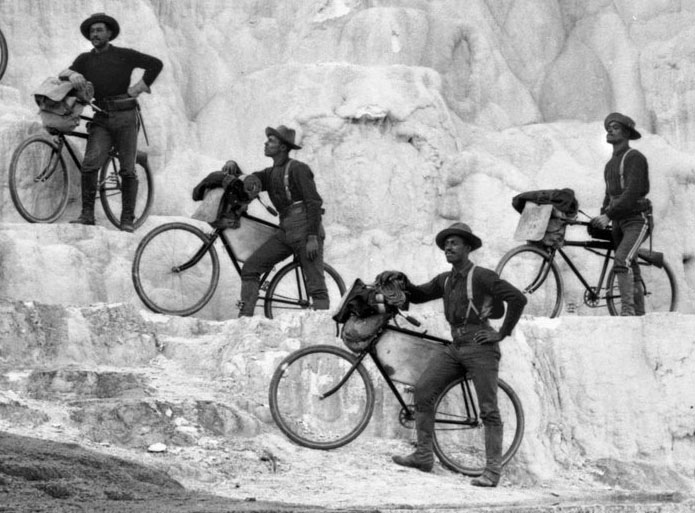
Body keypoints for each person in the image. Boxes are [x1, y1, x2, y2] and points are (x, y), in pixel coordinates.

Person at [388, 222, 527, 487]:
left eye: (454, 243)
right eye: (445, 244)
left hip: (480, 347)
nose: (448, 248)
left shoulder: (483, 276)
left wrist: (501, 333)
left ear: (467, 248)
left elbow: (518, 299)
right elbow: (417, 295)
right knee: (424, 390)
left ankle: (492, 472)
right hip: (456, 347)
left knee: (488, 410)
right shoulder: (446, 279)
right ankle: (423, 456)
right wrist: (401, 281)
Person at [59, 13, 163, 232]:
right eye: (91, 31)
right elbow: (62, 76)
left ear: (109, 33)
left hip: (125, 116)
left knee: (127, 170)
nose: (94, 34)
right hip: (102, 116)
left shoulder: (124, 55)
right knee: (90, 164)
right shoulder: (84, 60)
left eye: (98, 30)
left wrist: (139, 87)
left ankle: (127, 220)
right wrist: (71, 74)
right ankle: (87, 215)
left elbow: (155, 64)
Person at [223, 125, 329, 316]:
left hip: (305, 230)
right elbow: (251, 181)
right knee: (250, 268)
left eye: (271, 140)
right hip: (286, 231)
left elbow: (313, 202)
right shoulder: (269, 174)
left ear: (282, 147)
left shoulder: (299, 169)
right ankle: (244, 320)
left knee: (316, 286)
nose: (266, 143)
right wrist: (233, 168)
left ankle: (320, 337)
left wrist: (313, 236)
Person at [590, 113, 650, 316]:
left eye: (615, 127)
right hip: (618, 223)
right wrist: (601, 216)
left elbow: (632, 193)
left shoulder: (635, 158)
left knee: (621, 261)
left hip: (637, 220)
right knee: (630, 264)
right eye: (609, 127)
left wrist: (608, 215)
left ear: (626, 133)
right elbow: (609, 196)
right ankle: (640, 314)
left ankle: (627, 313)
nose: (610, 130)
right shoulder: (609, 165)